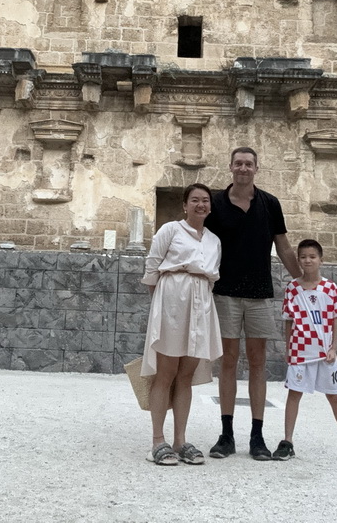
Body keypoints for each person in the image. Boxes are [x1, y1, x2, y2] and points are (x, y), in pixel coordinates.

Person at [205, 147, 299, 461]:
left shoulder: (270, 204)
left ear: (257, 168)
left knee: (258, 362)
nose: (243, 168)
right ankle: (226, 434)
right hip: (226, 292)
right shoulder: (215, 203)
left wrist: (301, 282)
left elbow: (284, 247)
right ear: (230, 167)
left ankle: (257, 436)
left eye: (249, 164)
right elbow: (200, 243)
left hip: (259, 294)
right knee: (228, 361)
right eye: (238, 163)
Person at [140, 183, 223, 466]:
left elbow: (212, 275)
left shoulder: (213, 240)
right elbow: (152, 269)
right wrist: (161, 307)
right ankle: (157, 441)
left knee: (185, 375)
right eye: (195, 200)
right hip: (172, 302)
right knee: (166, 372)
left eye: (205, 201)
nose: (201, 205)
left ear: (210, 207)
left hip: (201, 305)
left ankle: (180, 439)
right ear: (185, 205)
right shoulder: (170, 230)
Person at [273, 238, 337, 465]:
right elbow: (288, 321)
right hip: (300, 350)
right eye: (303, 257)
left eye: (312, 256)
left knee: (334, 396)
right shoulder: (292, 289)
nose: (308, 260)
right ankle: (287, 441)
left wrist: (334, 347)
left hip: (325, 352)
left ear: (321, 260)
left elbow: (336, 320)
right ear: (298, 260)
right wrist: (288, 347)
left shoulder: (330, 287)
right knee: (294, 394)